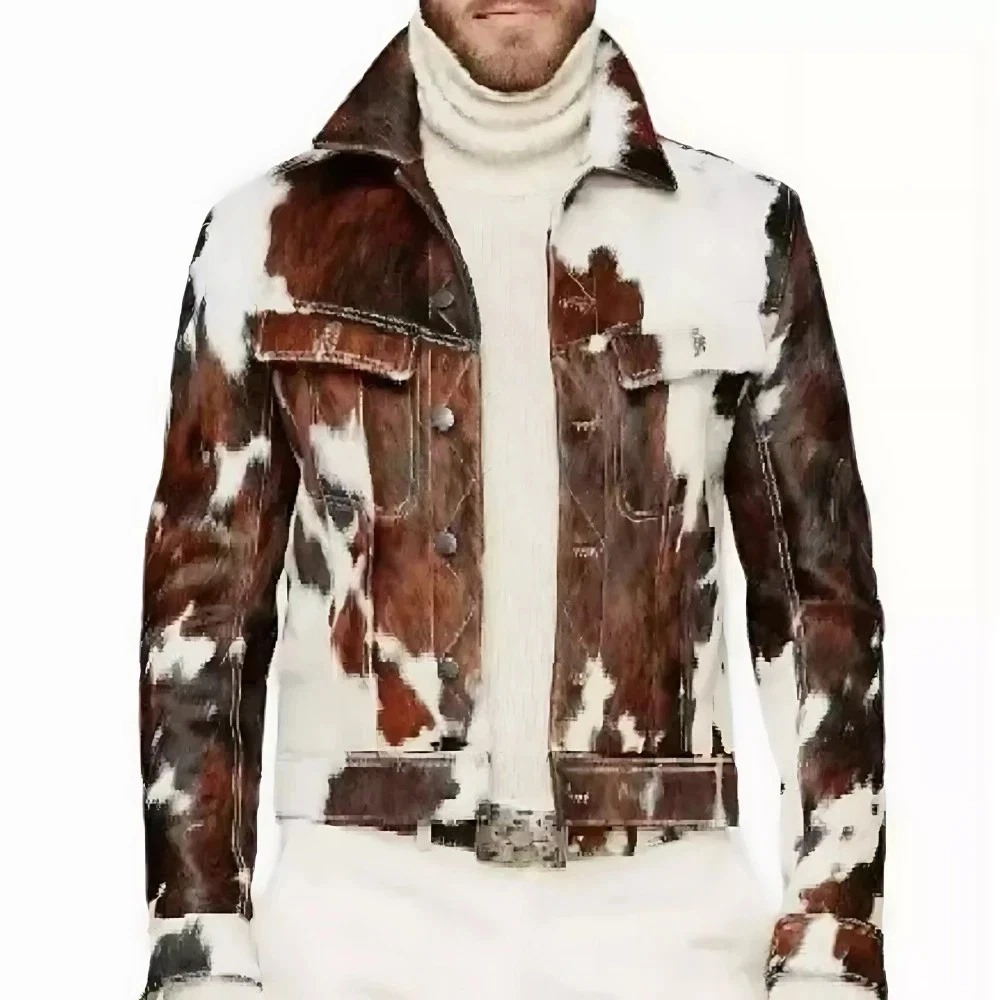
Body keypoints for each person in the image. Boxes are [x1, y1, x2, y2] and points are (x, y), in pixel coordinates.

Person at [137, 2, 887, 998]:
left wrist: (833, 939)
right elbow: (204, 614)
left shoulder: (741, 234)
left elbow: (818, 605)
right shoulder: (266, 237)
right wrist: (199, 944)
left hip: (668, 927)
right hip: (355, 925)